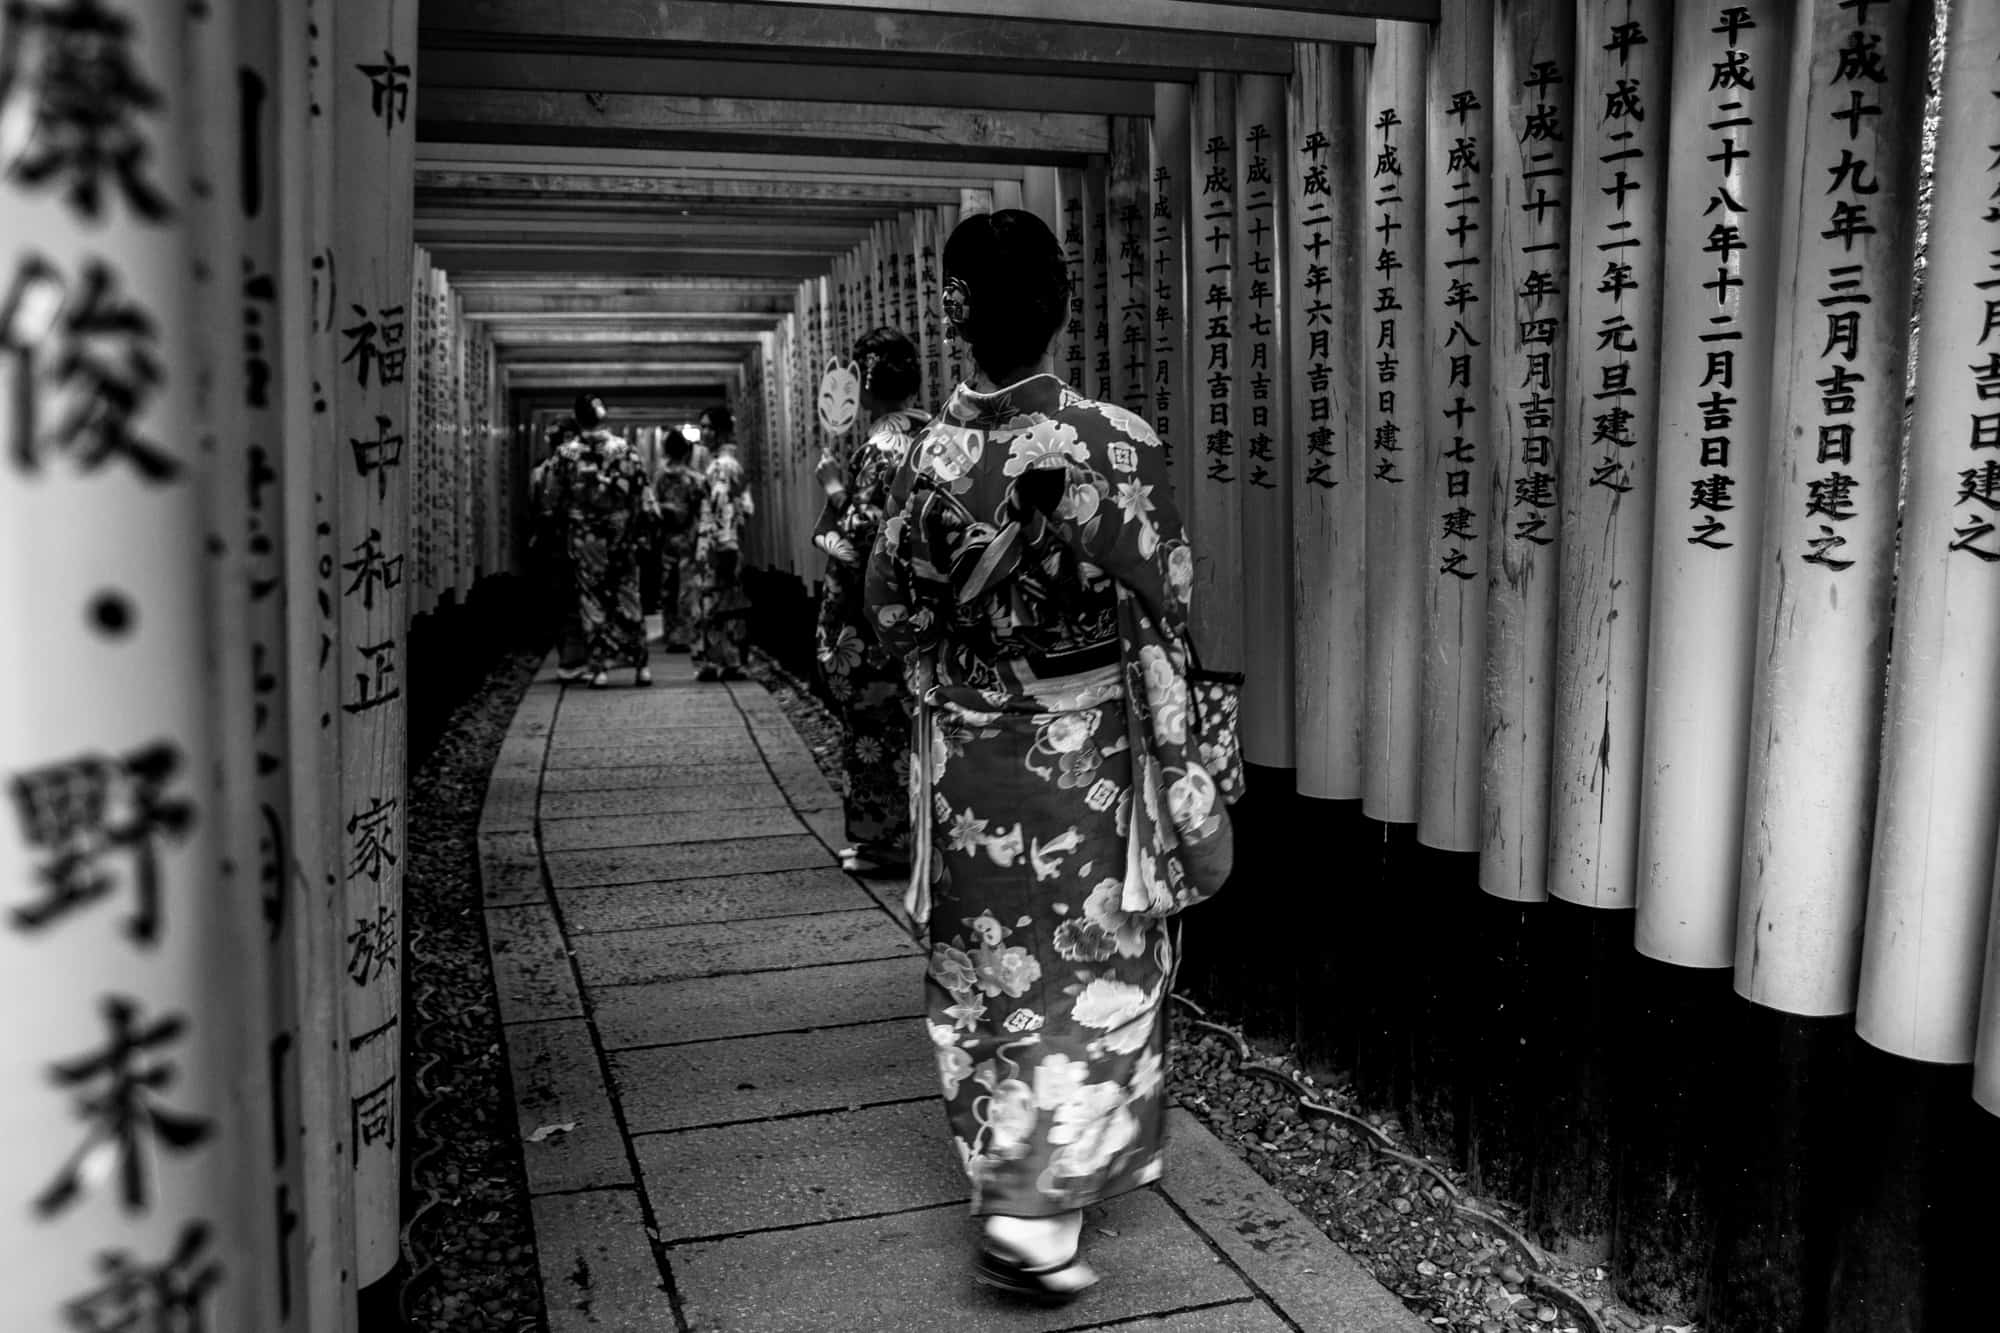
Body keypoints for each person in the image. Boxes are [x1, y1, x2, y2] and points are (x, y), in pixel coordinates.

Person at [864, 210, 1233, 1304]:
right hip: (1090, 766)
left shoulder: (928, 453)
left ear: (956, 313)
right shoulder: (1117, 441)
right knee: (1091, 962)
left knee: (988, 972)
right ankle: (1040, 1208)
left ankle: (1014, 1188)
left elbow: (887, 610)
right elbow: (1167, 599)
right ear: (1061, 303)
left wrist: (968, 656)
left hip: (972, 757)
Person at [813, 327, 926, 874]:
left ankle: (886, 840)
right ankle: (923, 832)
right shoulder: (936, 433)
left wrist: (835, 488)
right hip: (924, 607)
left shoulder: (878, 449)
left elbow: (863, 539)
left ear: (859, 386)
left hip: (877, 612)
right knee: (913, 723)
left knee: (874, 727)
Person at [546, 393, 657, 688]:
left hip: (586, 536)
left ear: (578, 418)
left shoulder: (566, 454)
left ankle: (600, 667)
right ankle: (640, 665)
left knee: (592, 598)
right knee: (627, 592)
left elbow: (553, 499)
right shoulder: (625, 450)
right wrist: (642, 530)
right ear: (603, 416)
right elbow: (643, 495)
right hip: (622, 533)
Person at [691, 406, 754, 682]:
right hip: (726, 539)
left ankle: (717, 660)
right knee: (728, 600)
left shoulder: (720, 466)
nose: (704, 432)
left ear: (722, 430)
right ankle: (731, 659)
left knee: (713, 599)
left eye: (708, 427)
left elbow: (723, 508)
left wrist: (723, 540)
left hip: (717, 541)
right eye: (702, 426)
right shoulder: (730, 463)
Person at [529, 418, 591, 678]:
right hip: (574, 542)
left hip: (554, 542)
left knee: (563, 600)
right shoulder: (585, 467)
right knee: (576, 600)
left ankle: (570, 657)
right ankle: (575, 658)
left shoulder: (541, 471)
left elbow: (536, 505)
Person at [653, 427, 707, 652]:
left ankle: (670, 630)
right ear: (687, 451)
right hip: (689, 536)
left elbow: (652, 507)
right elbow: (701, 510)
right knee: (687, 586)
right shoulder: (695, 478)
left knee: (668, 585)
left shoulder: (659, 477)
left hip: (666, 537)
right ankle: (685, 633)